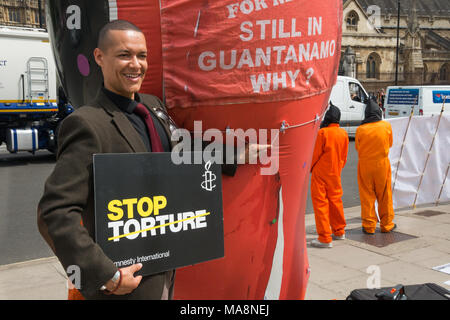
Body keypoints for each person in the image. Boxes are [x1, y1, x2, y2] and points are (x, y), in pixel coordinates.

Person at [37, 19, 260, 300]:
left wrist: (237, 153)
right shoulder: (85, 124)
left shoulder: (153, 106)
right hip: (125, 289)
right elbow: (53, 213)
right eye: (124, 55)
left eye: (141, 56)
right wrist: (107, 276)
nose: (135, 64)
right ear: (99, 57)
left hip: (164, 269)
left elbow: (180, 148)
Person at [310, 103, 349, 248]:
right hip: (335, 172)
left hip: (321, 173)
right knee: (336, 201)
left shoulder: (322, 133)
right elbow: (344, 157)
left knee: (320, 203)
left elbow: (315, 155)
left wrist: (311, 168)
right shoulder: (343, 133)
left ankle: (325, 238)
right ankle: (339, 231)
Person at [355, 97, 396, 235]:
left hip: (365, 165)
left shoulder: (360, 129)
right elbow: (390, 143)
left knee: (367, 195)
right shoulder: (386, 126)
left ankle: (368, 225)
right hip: (382, 164)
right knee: (384, 194)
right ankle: (387, 224)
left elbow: (357, 147)